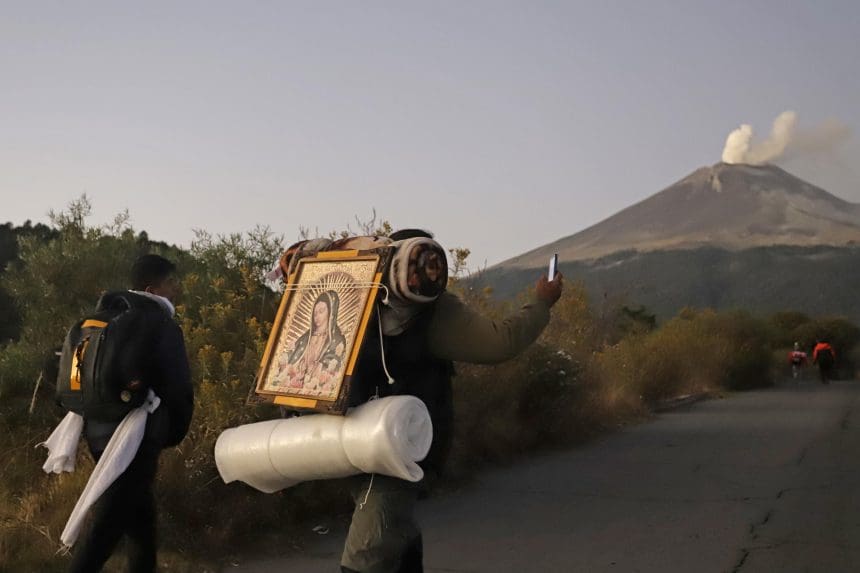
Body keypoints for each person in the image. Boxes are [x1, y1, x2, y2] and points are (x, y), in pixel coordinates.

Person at [339, 229, 563, 573]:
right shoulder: (421, 308)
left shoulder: (362, 299)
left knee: (367, 551)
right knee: (388, 531)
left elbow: (496, 343)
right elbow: (500, 342)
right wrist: (543, 301)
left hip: (396, 446)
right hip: (369, 442)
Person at [68, 254, 193, 573]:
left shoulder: (100, 319)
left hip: (96, 429)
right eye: (170, 283)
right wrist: (173, 431)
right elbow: (177, 386)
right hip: (136, 435)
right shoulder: (158, 322)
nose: (175, 290)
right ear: (152, 287)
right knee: (108, 527)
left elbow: (71, 377)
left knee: (140, 521)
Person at [281, 289, 347, 396]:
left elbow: (334, 364)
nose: (317, 317)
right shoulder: (307, 337)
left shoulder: (337, 339)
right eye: (315, 313)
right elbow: (292, 357)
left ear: (331, 312)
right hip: (297, 384)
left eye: (321, 311)